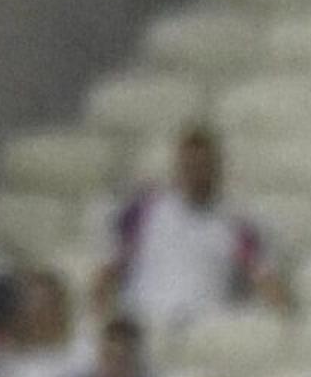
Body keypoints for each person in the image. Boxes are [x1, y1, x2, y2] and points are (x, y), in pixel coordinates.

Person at [99, 124, 283, 332]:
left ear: (216, 168)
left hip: (205, 332)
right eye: (188, 165)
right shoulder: (142, 211)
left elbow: (265, 278)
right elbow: (107, 272)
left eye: (202, 165)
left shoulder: (237, 223)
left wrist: (282, 323)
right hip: (145, 326)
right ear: (177, 165)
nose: (194, 173)